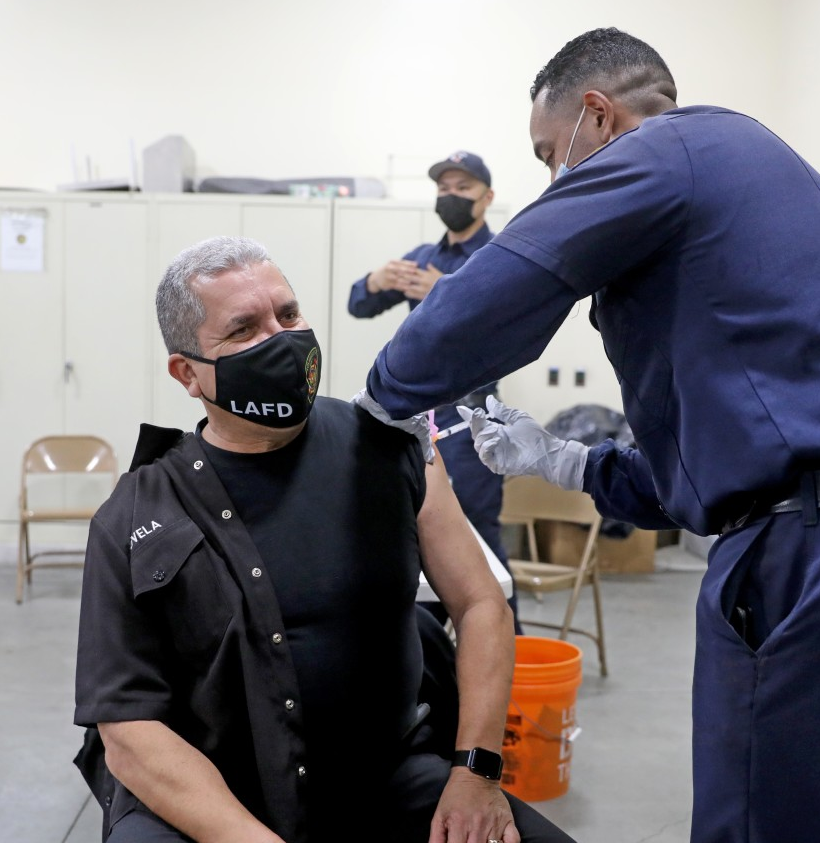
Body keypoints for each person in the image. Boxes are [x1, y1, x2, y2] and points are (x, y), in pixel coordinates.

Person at [356, 28, 820, 843]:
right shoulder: (746, 183)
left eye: (553, 153)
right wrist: (570, 461)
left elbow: (510, 287)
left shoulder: (668, 147)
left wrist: (378, 405)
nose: (555, 177)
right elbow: (715, 470)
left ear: (598, 115)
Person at [74, 236, 574, 843]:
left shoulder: (394, 447)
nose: (280, 338)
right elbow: (127, 732)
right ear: (187, 372)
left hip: (384, 775)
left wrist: (475, 772)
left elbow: (479, 603)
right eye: (244, 330)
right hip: (211, 795)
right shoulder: (134, 514)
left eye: (287, 315)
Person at [349, 151, 514, 615]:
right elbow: (357, 304)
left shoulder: (500, 256)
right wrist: (375, 280)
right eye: (444, 188)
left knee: (482, 544)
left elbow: (507, 327)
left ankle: (509, 663)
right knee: (416, 536)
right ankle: (431, 654)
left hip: (470, 423)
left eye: (463, 188)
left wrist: (449, 291)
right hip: (414, 422)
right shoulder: (421, 259)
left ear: (487, 197)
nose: (451, 196)